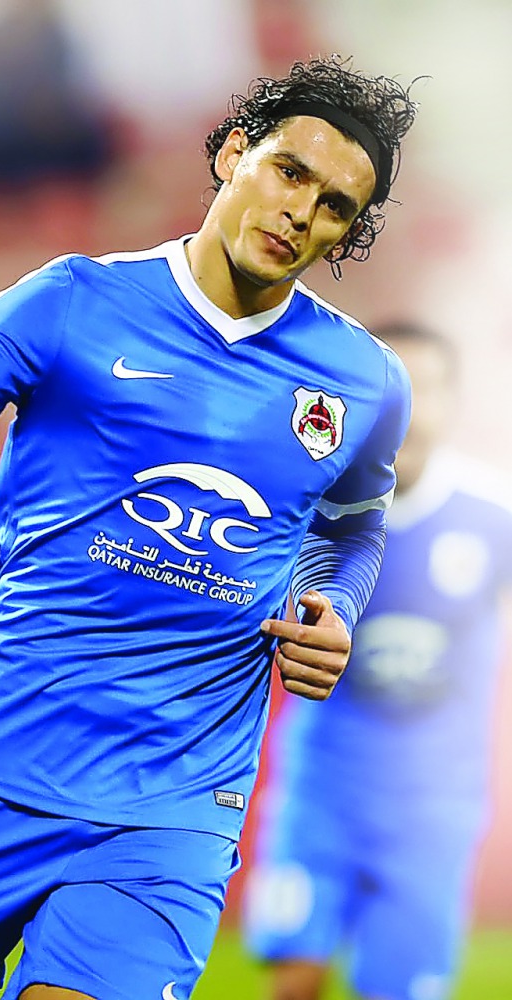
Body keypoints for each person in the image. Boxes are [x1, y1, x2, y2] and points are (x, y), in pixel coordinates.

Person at [0, 56, 417, 1000]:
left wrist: (331, 605)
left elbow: (351, 527)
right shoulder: (72, 303)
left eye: (335, 205)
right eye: (289, 172)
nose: (302, 211)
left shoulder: (362, 380)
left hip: (172, 806)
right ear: (230, 156)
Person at [242, 322, 512, 1000]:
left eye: (429, 388)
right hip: (320, 790)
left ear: (454, 400)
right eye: (399, 388)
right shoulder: (310, 512)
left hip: (432, 807)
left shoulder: (492, 515)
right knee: (293, 980)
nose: (413, 408)